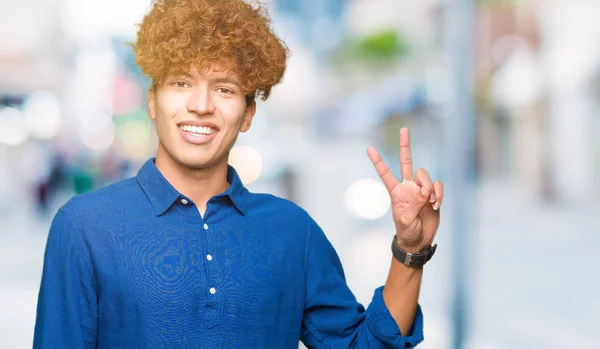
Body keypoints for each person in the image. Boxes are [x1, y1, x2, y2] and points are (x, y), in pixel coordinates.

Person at [33, 0, 444, 348]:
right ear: (153, 101)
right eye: (180, 82)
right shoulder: (84, 226)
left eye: (224, 88)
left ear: (248, 113)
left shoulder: (292, 231)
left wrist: (410, 251)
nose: (200, 105)